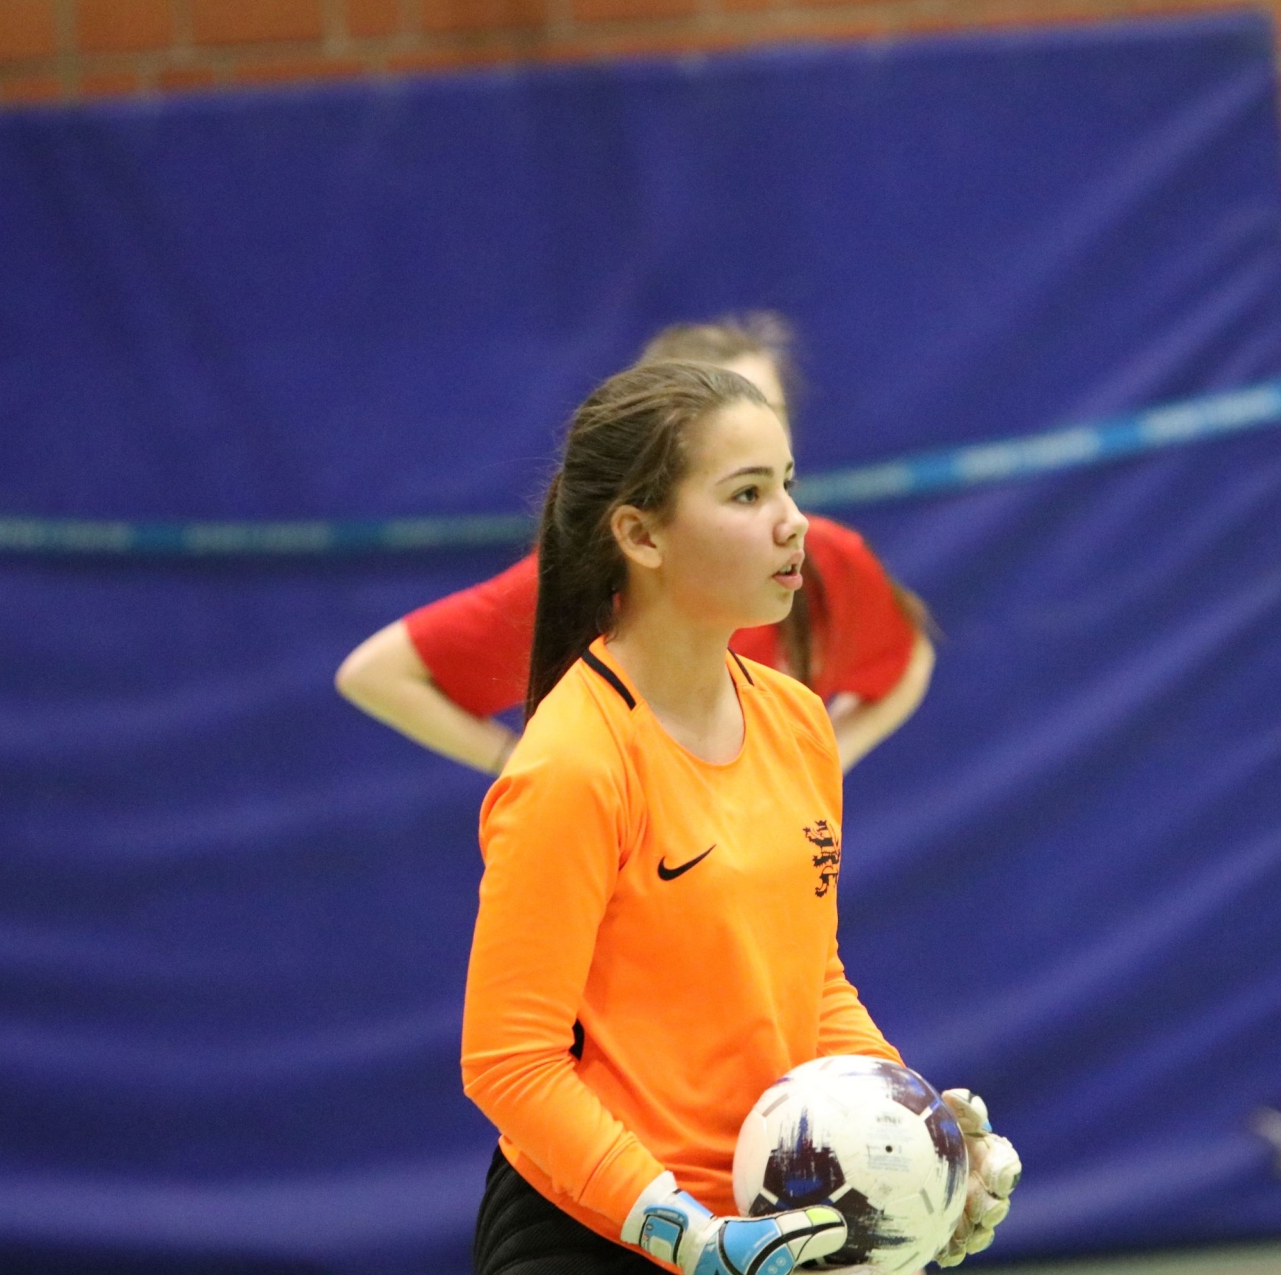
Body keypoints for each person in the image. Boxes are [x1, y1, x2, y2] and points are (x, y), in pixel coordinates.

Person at [460, 361, 1017, 1275]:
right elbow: (509, 1063)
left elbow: (812, 982)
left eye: (788, 484)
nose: (794, 521)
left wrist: (913, 1133)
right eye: (748, 493)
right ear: (640, 535)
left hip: (769, 1226)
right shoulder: (574, 764)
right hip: (597, 1235)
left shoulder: (797, 720)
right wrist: (685, 1233)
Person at [335, 316, 935, 777]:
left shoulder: (821, 561)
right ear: (642, 528)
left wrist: (822, 767)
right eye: (725, 418)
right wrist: (527, 767)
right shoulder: (576, 592)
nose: (791, 521)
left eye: (770, 414)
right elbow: (378, 674)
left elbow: (906, 656)